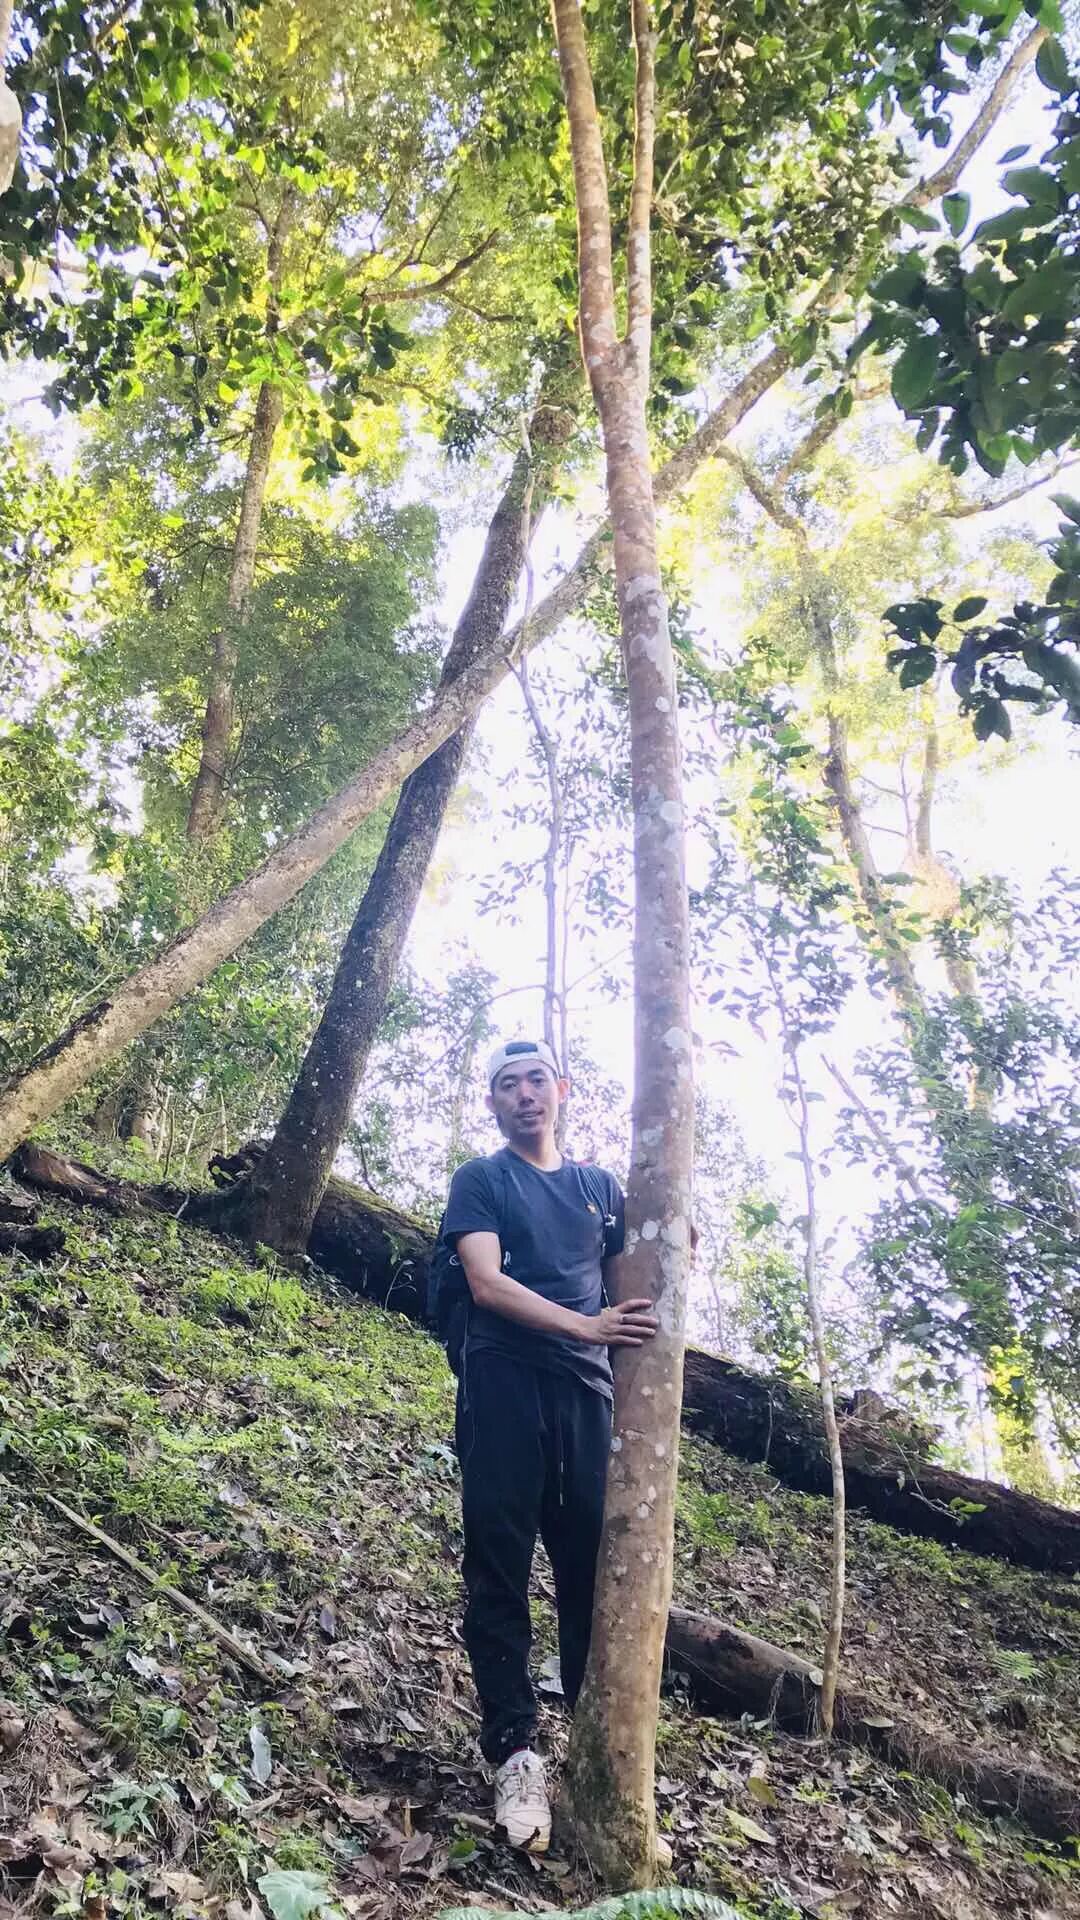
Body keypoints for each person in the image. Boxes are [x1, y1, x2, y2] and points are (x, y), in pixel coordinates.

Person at [442, 1038, 659, 1853]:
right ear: (494, 1103)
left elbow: (633, 1291)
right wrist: (584, 1326)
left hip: (587, 1398)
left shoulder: (600, 1189)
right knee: (498, 1563)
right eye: (508, 1085)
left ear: (562, 1089)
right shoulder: (483, 1179)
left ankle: (593, 1756)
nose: (525, 1094)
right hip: (502, 1380)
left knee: (586, 1574)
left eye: (537, 1079)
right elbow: (485, 1281)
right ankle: (515, 1754)